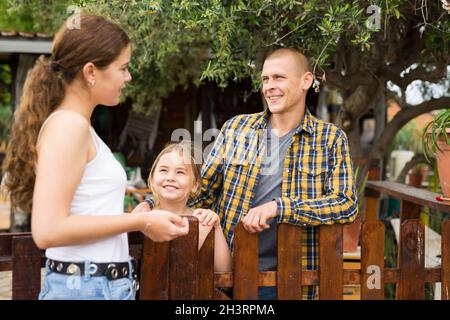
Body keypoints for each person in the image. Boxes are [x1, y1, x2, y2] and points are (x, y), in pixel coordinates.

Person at [1, 15, 189, 300]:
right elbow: (48, 230)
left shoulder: (79, 125)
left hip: (97, 285)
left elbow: (83, 214)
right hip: (85, 288)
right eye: (123, 68)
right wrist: (137, 223)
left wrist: (131, 217)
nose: (129, 77)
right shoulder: (69, 126)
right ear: (91, 72)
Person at [190, 47, 358, 299]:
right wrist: (154, 203)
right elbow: (202, 191)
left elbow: (345, 204)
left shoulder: (330, 138)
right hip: (230, 273)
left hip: (294, 277)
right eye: (265, 79)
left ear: (306, 81)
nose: (269, 86)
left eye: (279, 77)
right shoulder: (236, 128)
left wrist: (280, 207)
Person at [147, 141, 232, 272]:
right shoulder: (143, 217)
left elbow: (224, 270)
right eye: (164, 170)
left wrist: (216, 227)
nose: (170, 177)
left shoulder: (202, 220)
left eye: (180, 172)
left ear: (195, 185)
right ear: (152, 179)